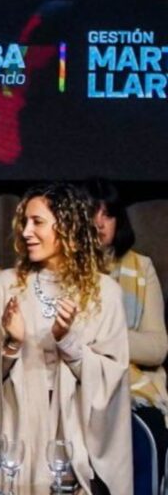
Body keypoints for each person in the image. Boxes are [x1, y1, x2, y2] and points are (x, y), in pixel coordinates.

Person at [0, 182, 131, 494]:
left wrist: (67, 341)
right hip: (20, 432)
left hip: (74, 438)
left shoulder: (104, 293)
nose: (26, 232)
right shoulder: (6, 286)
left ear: (69, 227)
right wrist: (12, 344)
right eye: (24, 222)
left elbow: (112, 378)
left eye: (38, 222)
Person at [87, 178, 168, 483]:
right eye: (91, 214)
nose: (99, 223)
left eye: (107, 215)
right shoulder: (62, 270)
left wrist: (102, 337)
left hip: (134, 389)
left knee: (141, 430)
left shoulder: (141, 267)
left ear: (118, 221)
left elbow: (156, 348)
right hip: (79, 385)